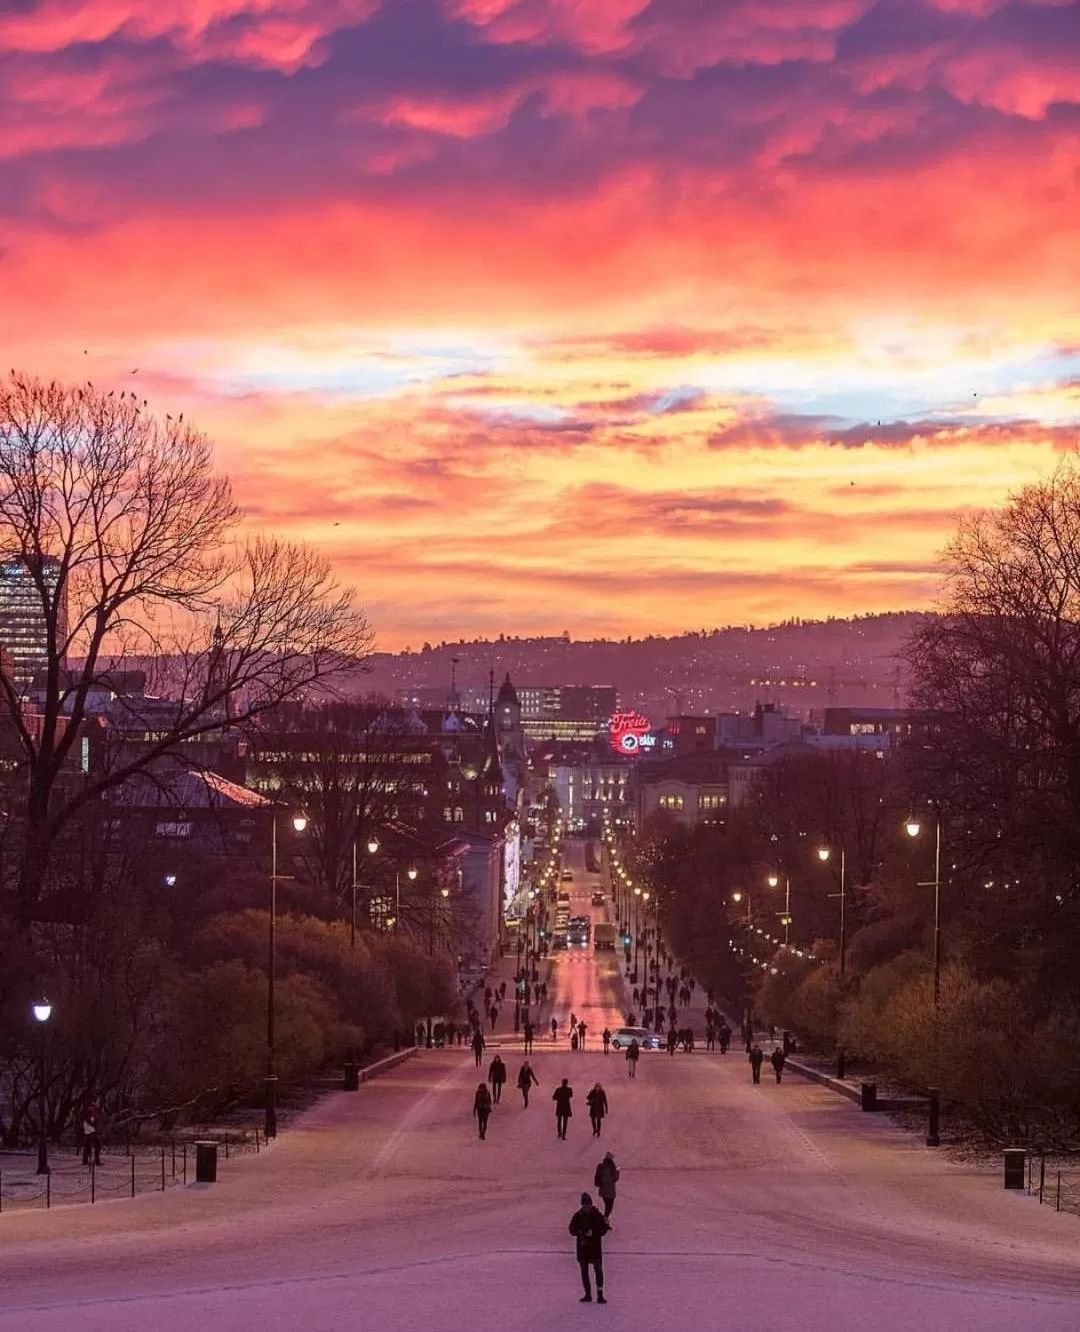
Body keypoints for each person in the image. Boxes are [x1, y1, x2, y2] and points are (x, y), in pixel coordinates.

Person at [568, 1192, 609, 1304]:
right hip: (583, 1249)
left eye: (587, 1205)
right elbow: (571, 1230)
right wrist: (581, 1232)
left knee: (598, 1271)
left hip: (594, 1248)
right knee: (584, 1272)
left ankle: (600, 1294)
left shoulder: (597, 1215)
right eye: (584, 1205)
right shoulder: (578, 1215)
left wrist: (594, 1232)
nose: (586, 1207)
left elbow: (604, 1230)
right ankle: (588, 1294)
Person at [594, 1151, 619, 1219]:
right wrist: (618, 1171)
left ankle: (605, 1221)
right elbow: (615, 1178)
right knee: (609, 1207)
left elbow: (597, 1177)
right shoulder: (612, 1166)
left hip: (603, 1190)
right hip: (610, 1190)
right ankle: (605, 1221)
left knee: (607, 1206)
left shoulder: (600, 1166)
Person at [81, 1100, 102, 1167]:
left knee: (88, 1145)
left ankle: (86, 1160)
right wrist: (93, 1123)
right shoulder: (90, 1111)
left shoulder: (92, 1111)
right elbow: (89, 1120)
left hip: (90, 1130)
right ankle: (94, 1160)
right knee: (95, 1145)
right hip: (90, 1130)